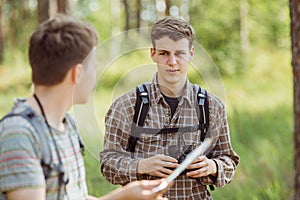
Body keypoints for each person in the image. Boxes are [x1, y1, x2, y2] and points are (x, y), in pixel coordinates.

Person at [0, 15, 170, 200]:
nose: (94, 77)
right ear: (77, 73)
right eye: (93, 68)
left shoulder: (67, 124)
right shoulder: (18, 133)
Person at [100, 16, 240, 199]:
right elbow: (107, 163)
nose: (172, 62)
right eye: (164, 53)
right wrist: (141, 166)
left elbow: (228, 160)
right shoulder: (126, 106)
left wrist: (213, 167)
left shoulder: (212, 106)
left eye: (180, 53)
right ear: (153, 54)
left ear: (191, 53)